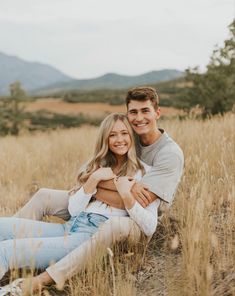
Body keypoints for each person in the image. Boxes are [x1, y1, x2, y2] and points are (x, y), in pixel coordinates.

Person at [1, 86, 184, 293]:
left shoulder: (167, 155)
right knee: (29, 208)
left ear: (157, 113)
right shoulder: (120, 143)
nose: (138, 119)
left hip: (127, 226)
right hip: (77, 222)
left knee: (7, 251)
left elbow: (141, 201)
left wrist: (102, 188)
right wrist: (93, 181)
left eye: (145, 111)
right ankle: (18, 253)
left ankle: (34, 278)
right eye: (133, 112)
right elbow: (81, 184)